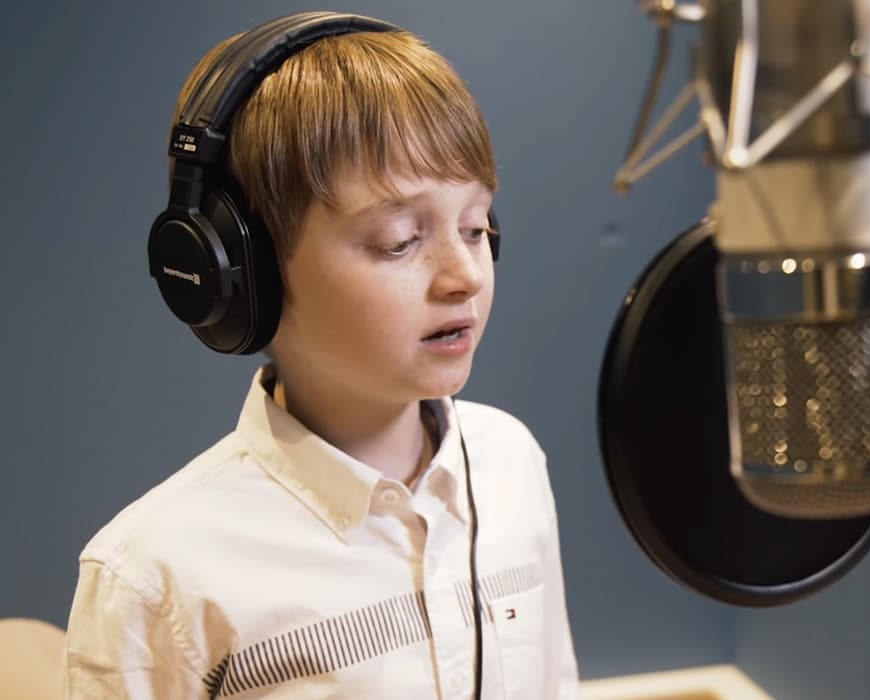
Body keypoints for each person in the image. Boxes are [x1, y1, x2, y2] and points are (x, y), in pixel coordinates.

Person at [62, 12, 579, 699]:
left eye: (477, 227)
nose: (467, 275)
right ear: (246, 273)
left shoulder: (511, 462)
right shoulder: (154, 579)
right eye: (400, 240)